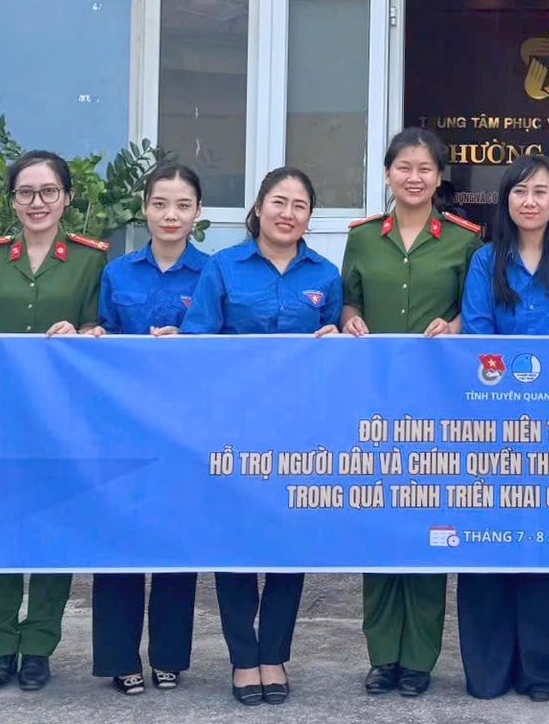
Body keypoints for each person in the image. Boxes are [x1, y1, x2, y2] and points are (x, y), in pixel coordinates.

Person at [177, 168, 340, 706]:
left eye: (299, 205)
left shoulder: (326, 275)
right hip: (234, 429)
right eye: (278, 201)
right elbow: (198, 342)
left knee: (289, 546)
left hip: (300, 432)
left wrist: (336, 339)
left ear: (310, 217)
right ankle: (243, 658)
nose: (287, 213)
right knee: (237, 544)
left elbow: (338, 354)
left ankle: (275, 655)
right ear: (259, 208)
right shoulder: (223, 267)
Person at [339, 130, 481, 699]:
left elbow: (473, 310)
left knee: (429, 527)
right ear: (388, 174)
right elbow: (348, 297)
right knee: (379, 526)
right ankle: (383, 657)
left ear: (440, 176)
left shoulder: (465, 241)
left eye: (425, 168)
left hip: (437, 403)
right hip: (375, 399)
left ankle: (420, 658)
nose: (414, 177)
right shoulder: (362, 237)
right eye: (404, 167)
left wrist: (456, 326)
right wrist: (349, 317)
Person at [453, 156, 549, 702]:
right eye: (519, 191)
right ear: (506, 200)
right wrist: (510, 401)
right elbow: (479, 337)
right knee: (489, 542)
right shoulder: (484, 261)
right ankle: (490, 670)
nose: (530, 201)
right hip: (492, 427)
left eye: (541, 192)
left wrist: (546, 404)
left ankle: (545, 670)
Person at [0, 150, 106, 693]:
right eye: (26, 192)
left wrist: (86, 334)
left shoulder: (91, 260)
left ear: (67, 198)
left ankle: (40, 644)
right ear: (13, 200)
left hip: (61, 418)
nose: (37, 202)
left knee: (53, 529)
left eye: (49, 191)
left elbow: (101, 328)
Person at [89, 162, 208, 694]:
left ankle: (168, 656)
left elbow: (222, 346)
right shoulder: (117, 272)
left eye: (182, 205)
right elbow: (102, 335)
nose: (170, 215)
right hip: (122, 426)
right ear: (145, 209)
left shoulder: (212, 274)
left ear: (198, 212)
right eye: (160, 203)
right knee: (118, 537)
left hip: (185, 428)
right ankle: (120, 657)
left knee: (176, 541)